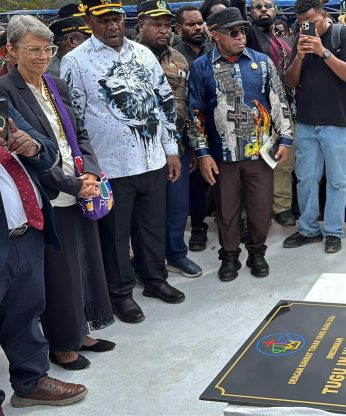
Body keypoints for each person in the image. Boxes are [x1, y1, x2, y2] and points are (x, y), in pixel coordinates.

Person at [0, 15, 115, 371]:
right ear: (11, 51)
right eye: (33, 49)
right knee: (60, 273)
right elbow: (27, 152)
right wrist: (72, 185)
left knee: (87, 262)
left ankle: (83, 331)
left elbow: (79, 132)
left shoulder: (55, 83)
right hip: (50, 193)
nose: (43, 56)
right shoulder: (6, 90)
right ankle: (63, 343)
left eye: (47, 48)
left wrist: (90, 172)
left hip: (81, 185)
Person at [61, 0, 185, 324]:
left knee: (152, 227)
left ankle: (154, 279)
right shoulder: (75, 61)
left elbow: (164, 103)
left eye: (116, 18)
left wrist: (171, 150)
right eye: (104, 20)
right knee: (115, 235)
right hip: (109, 166)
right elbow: (74, 118)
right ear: (89, 21)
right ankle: (120, 293)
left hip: (152, 159)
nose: (112, 25)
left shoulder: (143, 53)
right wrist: (86, 166)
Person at [189, 8, 293, 280]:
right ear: (215, 35)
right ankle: (229, 256)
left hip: (260, 152)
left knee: (260, 208)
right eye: (233, 32)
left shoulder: (262, 62)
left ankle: (257, 253)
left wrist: (285, 138)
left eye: (243, 31)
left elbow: (279, 100)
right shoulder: (201, 67)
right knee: (226, 210)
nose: (240, 36)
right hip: (222, 155)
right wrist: (202, 153)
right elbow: (195, 113)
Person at [0, 98, 90, 413]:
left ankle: (31, 382)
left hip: (27, 231)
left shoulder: (2, 107)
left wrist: (33, 146)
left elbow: (48, 149)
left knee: (24, 313)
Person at [283, 0, 346, 254]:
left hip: (338, 122)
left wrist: (323, 52)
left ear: (324, 15)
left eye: (312, 21)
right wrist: (300, 56)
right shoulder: (299, 39)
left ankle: (334, 231)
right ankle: (308, 230)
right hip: (307, 122)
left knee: (336, 180)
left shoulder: (343, 35)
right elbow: (291, 81)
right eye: (301, 23)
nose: (307, 27)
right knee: (305, 179)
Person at [137, 0, 203, 278]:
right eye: (156, 25)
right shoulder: (129, 58)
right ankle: (145, 261)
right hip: (142, 148)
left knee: (177, 206)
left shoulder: (179, 59)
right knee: (147, 211)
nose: (163, 31)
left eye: (167, 25)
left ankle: (176, 253)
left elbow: (189, 105)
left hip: (177, 146)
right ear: (141, 25)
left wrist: (193, 146)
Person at [247, 0, 298, 227]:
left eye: (268, 6)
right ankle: (259, 210)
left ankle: (282, 207)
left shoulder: (285, 40)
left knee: (284, 163)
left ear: (276, 10)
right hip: (259, 112)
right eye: (257, 6)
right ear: (251, 12)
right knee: (258, 164)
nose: (263, 10)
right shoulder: (250, 35)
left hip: (287, 111)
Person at [174, 5, 213, 252]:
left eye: (200, 23)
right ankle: (198, 226)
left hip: (218, 126)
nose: (198, 27)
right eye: (191, 24)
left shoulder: (215, 50)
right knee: (196, 184)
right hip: (190, 131)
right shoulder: (174, 57)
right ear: (179, 29)